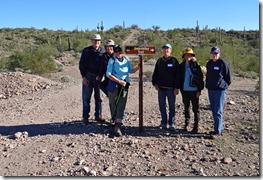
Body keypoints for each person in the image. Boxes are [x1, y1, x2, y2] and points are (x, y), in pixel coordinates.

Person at [106, 44, 140, 136]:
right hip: (114, 85)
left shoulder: (126, 60)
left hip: (124, 85)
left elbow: (130, 70)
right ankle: (114, 120)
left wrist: (138, 67)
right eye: (116, 51)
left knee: (121, 103)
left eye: (119, 51)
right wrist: (119, 81)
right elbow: (108, 74)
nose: (118, 53)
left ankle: (118, 123)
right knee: (113, 103)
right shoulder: (112, 60)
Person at [151, 43, 180, 132]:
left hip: (171, 89)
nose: (166, 51)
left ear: (170, 50)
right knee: (162, 106)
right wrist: (155, 83)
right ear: (162, 50)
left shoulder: (174, 61)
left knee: (172, 107)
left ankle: (171, 123)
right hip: (161, 88)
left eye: (167, 49)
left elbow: (178, 76)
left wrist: (177, 88)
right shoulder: (159, 61)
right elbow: (155, 73)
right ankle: (164, 122)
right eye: (164, 49)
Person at [205, 46, 232, 139]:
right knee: (213, 110)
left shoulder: (223, 63)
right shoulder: (209, 63)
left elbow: (228, 78)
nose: (214, 55)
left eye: (216, 54)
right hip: (211, 90)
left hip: (220, 90)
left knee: (218, 111)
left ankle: (218, 132)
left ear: (219, 54)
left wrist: (223, 86)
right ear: (211, 54)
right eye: (213, 53)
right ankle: (219, 128)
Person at [79, 34, 105, 125]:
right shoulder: (86, 51)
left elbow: (105, 64)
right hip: (88, 76)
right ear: (92, 41)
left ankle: (98, 115)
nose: (96, 42)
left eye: (98, 41)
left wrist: (101, 76)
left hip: (99, 77)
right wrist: (83, 77)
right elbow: (81, 64)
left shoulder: (103, 51)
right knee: (86, 98)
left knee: (99, 98)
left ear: (100, 42)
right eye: (95, 40)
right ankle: (85, 117)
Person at [179, 48, 204, 133]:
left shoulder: (196, 65)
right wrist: (177, 88)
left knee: (195, 108)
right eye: (187, 55)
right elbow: (178, 78)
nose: (188, 56)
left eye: (190, 55)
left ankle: (196, 126)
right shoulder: (181, 66)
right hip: (184, 90)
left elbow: (200, 78)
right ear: (184, 56)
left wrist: (199, 89)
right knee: (186, 107)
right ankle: (186, 124)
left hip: (194, 90)